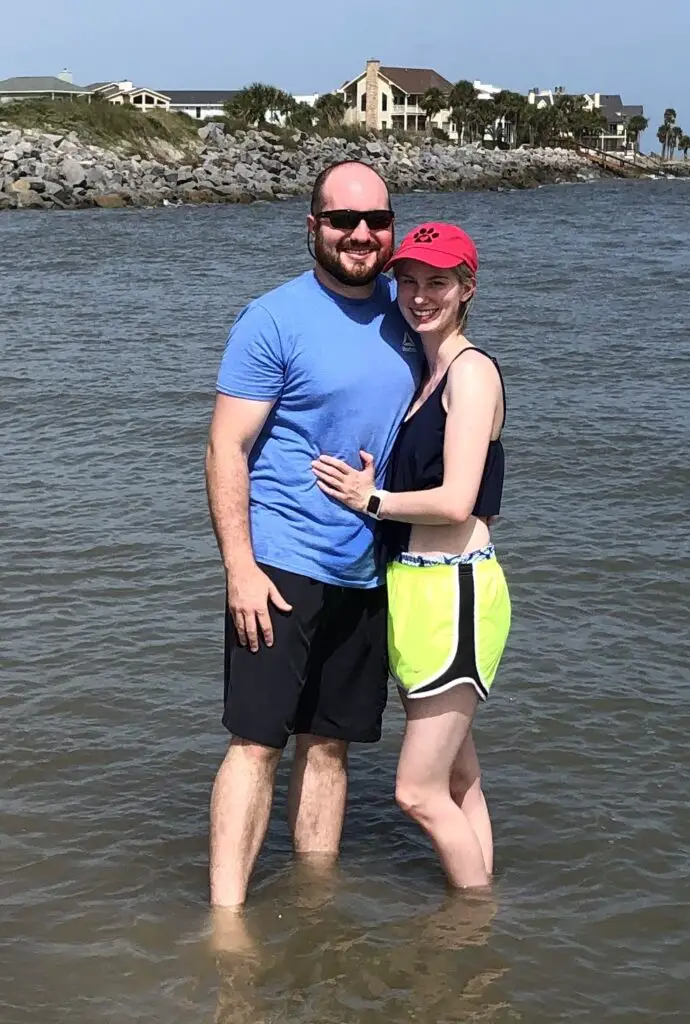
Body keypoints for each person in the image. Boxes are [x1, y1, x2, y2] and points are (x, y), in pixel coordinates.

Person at [205, 160, 421, 908]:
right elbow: (225, 447)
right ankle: (228, 922)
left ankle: (311, 913)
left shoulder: (411, 307)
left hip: (367, 567)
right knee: (257, 743)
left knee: (330, 747)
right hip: (282, 563)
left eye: (376, 220)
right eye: (342, 221)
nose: (361, 234)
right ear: (313, 228)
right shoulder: (272, 319)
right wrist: (241, 566)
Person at [311, 223, 510, 889]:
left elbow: (456, 501)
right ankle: (484, 915)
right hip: (418, 590)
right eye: (410, 281)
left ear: (466, 289)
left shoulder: (471, 374)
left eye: (438, 283)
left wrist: (373, 500)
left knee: (417, 793)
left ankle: (473, 922)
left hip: (453, 592)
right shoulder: (426, 374)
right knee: (457, 777)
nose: (420, 296)